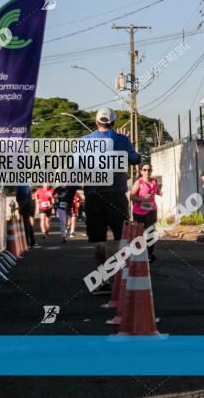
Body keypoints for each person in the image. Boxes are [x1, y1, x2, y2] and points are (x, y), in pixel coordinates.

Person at [82, 107, 140, 294]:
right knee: (122, 238)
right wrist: (125, 143)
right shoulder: (122, 140)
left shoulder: (85, 141)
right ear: (113, 122)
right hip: (116, 194)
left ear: (96, 121)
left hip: (93, 195)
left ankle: (103, 280)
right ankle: (124, 279)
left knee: (99, 241)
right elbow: (135, 159)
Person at [130, 163, 162, 261]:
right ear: (141, 171)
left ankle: (150, 254)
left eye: (149, 170)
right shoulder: (138, 182)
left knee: (151, 233)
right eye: (144, 170)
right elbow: (131, 196)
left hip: (152, 210)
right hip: (139, 212)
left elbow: (155, 190)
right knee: (139, 234)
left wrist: (159, 192)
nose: (147, 172)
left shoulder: (154, 181)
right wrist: (142, 199)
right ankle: (137, 255)